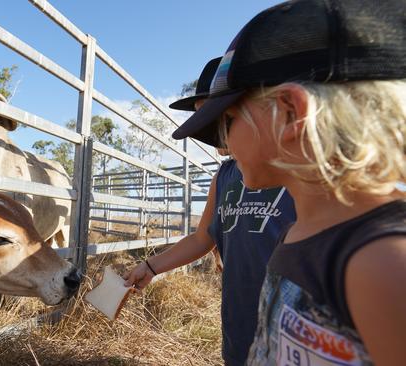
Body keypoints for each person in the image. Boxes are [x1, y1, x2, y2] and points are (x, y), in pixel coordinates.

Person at [174, 0, 406, 364]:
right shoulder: (301, 232)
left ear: (290, 113)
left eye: (228, 121)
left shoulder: (382, 263)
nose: (225, 142)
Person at [123, 56, 296, 366]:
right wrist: (151, 267)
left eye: (219, 119)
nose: (210, 132)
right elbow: (203, 238)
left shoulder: (300, 173)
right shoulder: (226, 176)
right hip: (240, 319)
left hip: (292, 326)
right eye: (204, 123)